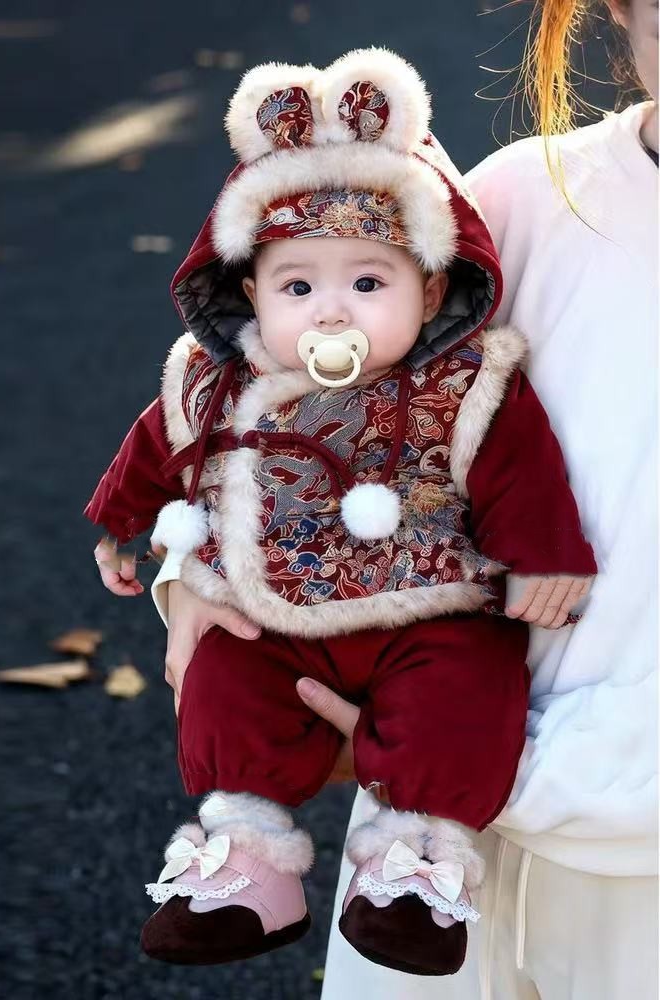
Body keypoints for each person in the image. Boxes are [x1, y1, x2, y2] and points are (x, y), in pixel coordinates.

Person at [84, 47, 597, 975]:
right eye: (296, 286)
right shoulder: (216, 378)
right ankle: (245, 852)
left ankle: (413, 859)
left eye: (369, 283)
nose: (332, 313)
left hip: (428, 607)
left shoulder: (467, 382)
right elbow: (165, 445)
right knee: (224, 681)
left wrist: (543, 555)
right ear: (248, 290)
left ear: (433, 288)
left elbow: (525, 472)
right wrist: (129, 519)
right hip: (267, 605)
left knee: (464, 691)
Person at [301, 2, 658, 998]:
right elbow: (304, 391)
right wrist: (201, 582)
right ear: (622, 15)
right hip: (450, 826)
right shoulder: (525, 200)